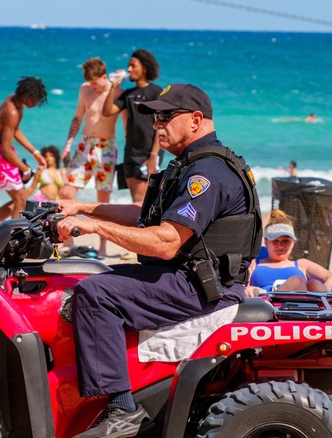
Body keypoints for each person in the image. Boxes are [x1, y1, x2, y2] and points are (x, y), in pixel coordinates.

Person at [55, 84, 262, 437]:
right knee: (82, 277)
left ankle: (122, 410)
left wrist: (94, 227)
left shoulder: (206, 174)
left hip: (197, 286)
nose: (156, 124)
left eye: (166, 116)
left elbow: (166, 242)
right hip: (188, 277)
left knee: (96, 292)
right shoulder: (194, 164)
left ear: (196, 120)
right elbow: (145, 214)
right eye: (154, 117)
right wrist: (82, 207)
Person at [61, 58, 122, 256]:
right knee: (67, 192)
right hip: (84, 144)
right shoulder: (85, 89)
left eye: (96, 82)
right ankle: (67, 240)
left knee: (102, 199)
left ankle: (103, 245)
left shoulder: (117, 93)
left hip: (106, 146)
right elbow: (78, 117)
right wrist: (69, 144)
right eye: (90, 82)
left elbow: (129, 124)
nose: (93, 86)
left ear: (105, 76)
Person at [0, 77, 48, 221]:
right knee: (21, 200)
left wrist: (35, 152)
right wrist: (25, 169)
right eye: (35, 99)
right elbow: (6, 150)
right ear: (27, 96)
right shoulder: (12, 111)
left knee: (19, 199)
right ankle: (12, 239)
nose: (36, 103)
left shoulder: (16, 102)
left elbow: (15, 130)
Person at [102, 49, 162, 203]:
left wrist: (153, 157)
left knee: (140, 202)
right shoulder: (128, 94)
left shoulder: (156, 93)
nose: (129, 69)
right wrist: (113, 87)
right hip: (130, 154)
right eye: (128, 66)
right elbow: (107, 111)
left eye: (133, 65)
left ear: (145, 68)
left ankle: (141, 228)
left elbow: (161, 126)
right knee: (134, 200)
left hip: (148, 154)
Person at [247, 210, 332, 296]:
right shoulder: (254, 264)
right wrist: (246, 288)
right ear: (266, 243)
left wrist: (325, 288)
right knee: (297, 281)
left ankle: (325, 305)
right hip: (268, 303)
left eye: (286, 241)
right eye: (275, 241)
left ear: (293, 243)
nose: (281, 245)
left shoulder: (302, 264)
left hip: (303, 303)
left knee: (314, 284)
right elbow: (241, 286)